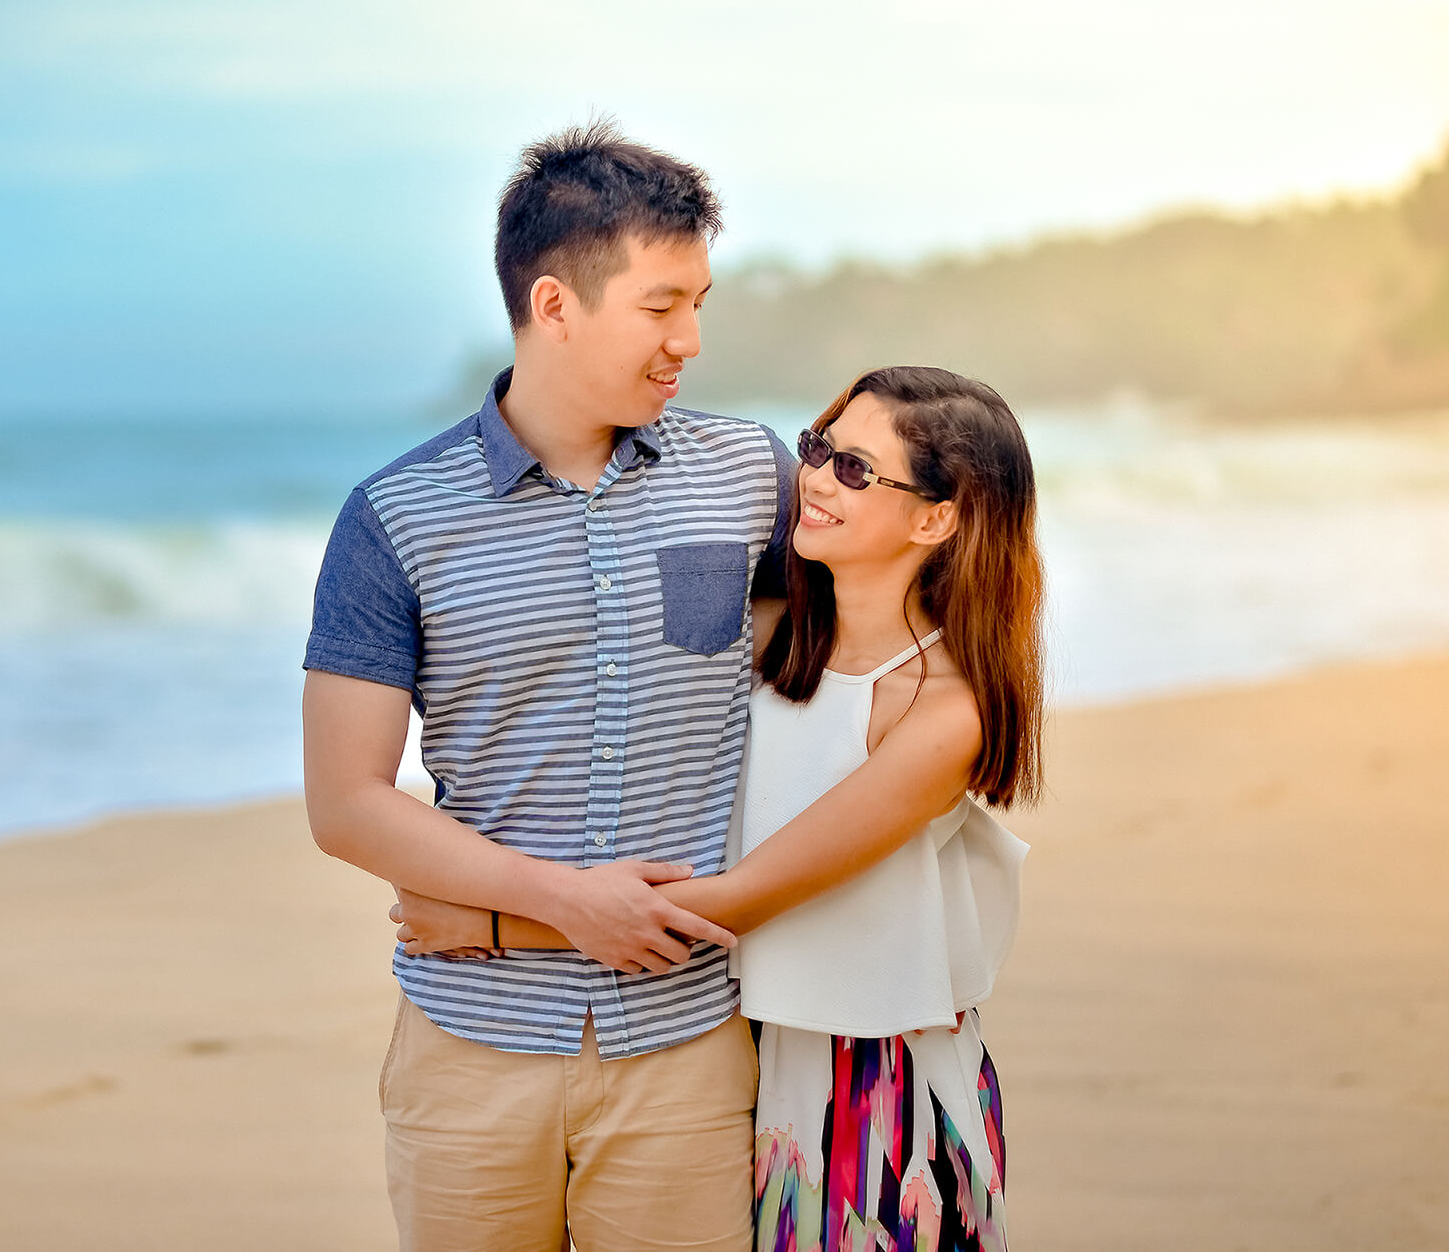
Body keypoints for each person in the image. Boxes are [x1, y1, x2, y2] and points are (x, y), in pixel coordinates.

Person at [394, 366, 1043, 1251]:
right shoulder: (775, 646)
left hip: (875, 1090)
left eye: (857, 470)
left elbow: (742, 902)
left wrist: (488, 922)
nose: (812, 479)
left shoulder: (939, 713)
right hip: (758, 1058)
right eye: (818, 448)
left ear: (936, 519)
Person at [302, 120, 794, 1252]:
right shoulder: (392, 518)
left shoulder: (750, 476)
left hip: (687, 1044)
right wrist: (565, 901)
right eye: (661, 305)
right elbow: (347, 802)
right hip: (469, 1050)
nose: (691, 339)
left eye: (699, 301)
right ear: (555, 303)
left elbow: (836, 686)